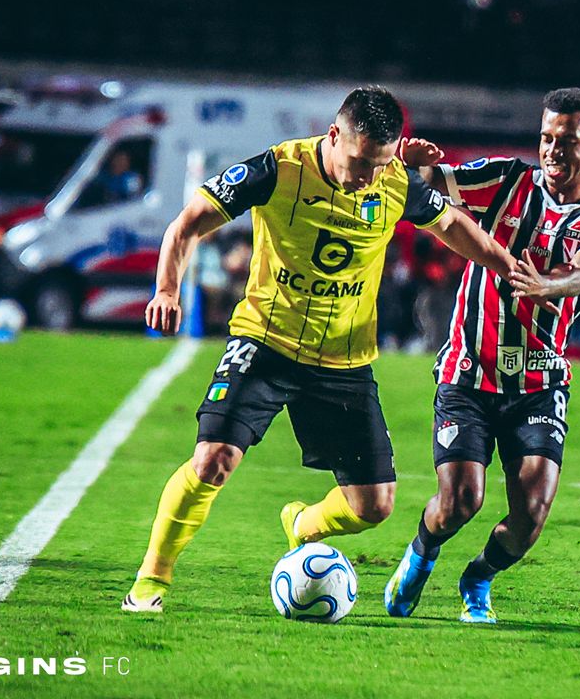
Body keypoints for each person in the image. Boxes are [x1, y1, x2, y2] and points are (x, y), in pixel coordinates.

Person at [122, 86, 520, 613]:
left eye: (381, 165)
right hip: (265, 342)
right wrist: (168, 289)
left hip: (344, 362)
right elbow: (188, 222)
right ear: (334, 136)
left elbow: (453, 226)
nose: (369, 177)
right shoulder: (278, 169)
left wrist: (506, 266)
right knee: (213, 459)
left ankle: (302, 524)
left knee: (374, 506)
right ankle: (152, 581)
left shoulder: (395, 181)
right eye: (360, 163)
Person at [384, 88, 580, 623]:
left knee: (531, 517)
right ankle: (421, 554)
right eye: (545, 138)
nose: (551, 150)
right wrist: (410, 166)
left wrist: (551, 285)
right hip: (469, 372)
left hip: (540, 384)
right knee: (461, 502)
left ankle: (478, 577)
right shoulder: (506, 179)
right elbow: (427, 192)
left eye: (567, 141)